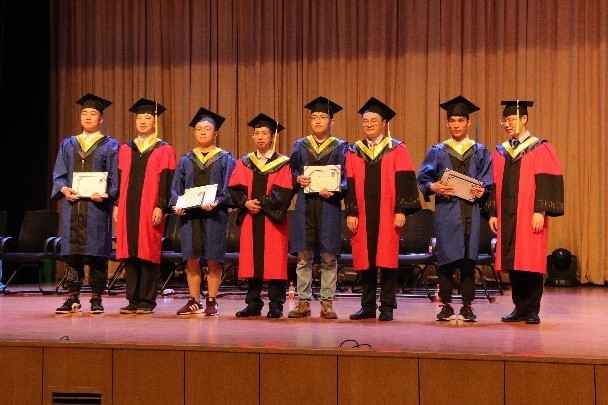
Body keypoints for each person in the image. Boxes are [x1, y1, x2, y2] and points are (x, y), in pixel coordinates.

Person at [487, 100, 564, 324]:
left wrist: (541, 210)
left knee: (531, 259)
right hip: (507, 214)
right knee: (512, 260)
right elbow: (493, 182)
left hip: (529, 214)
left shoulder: (540, 148)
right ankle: (519, 307)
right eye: (505, 120)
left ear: (524, 119)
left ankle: (532, 308)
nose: (507, 124)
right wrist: (493, 212)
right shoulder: (501, 151)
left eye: (512, 119)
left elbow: (547, 181)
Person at [417, 96, 492, 322]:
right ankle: (446, 304)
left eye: (461, 120)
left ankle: (467, 305)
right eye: (452, 121)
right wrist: (434, 186)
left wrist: (482, 190)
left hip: (471, 211)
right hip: (447, 211)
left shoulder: (480, 150)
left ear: (468, 122)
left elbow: (488, 180)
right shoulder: (438, 150)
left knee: (469, 258)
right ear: (447, 123)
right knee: (446, 258)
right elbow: (423, 177)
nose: (456, 125)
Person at [345, 97, 421, 321]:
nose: (369, 124)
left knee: (387, 259)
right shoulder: (354, 150)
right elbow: (349, 182)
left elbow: (405, 180)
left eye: (374, 120)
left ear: (384, 123)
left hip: (388, 212)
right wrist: (351, 211)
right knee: (365, 260)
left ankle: (387, 306)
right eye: (365, 121)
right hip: (363, 213)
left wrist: (401, 210)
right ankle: (367, 306)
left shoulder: (397, 148)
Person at [51, 93, 119, 314]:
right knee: (72, 254)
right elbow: (59, 174)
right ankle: (72, 297)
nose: (88, 117)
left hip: (97, 208)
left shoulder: (110, 145)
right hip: (73, 207)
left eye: (93, 113)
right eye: (84, 113)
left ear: (101, 118)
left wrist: (106, 194)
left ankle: (97, 298)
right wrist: (64, 189)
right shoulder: (68, 144)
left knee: (97, 253)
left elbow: (114, 177)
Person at [171, 107, 235, 316]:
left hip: (215, 214)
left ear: (215, 133)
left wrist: (217, 202)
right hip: (190, 216)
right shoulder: (186, 159)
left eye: (207, 129)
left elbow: (230, 187)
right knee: (191, 257)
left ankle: (212, 300)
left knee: (214, 257)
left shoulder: (225, 158)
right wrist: (177, 204)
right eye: (199, 129)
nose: (202, 132)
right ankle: (193, 300)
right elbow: (176, 188)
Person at [114, 98, 176, 314]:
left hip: (150, 207)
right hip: (127, 206)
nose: (142, 121)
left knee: (148, 251)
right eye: (139, 117)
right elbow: (119, 179)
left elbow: (167, 181)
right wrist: (116, 204)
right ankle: (132, 300)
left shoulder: (164, 149)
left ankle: (147, 301)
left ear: (155, 121)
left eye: (147, 117)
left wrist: (161, 206)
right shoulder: (125, 149)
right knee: (130, 252)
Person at [228, 113, 293, 318]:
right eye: (257, 133)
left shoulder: (283, 163)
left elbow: (283, 192)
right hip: (251, 217)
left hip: (272, 220)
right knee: (251, 260)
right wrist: (245, 203)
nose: (260, 137)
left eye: (264, 133)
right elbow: (234, 188)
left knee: (275, 261)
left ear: (272, 137)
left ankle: (276, 304)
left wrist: (260, 203)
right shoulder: (245, 161)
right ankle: (253, 303)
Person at [288, 97, 347, 319]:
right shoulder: (300, 145)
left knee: (328, 257)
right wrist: (297, 179)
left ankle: (327, 303)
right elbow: (291, 172)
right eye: (314, 117)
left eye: (323, 117)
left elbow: (346, 176)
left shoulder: (341, 147)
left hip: (329, 205)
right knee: (303, 257)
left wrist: (336, 189)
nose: (318, 121)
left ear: (332, 121)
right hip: (305, 205)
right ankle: (303, 302)